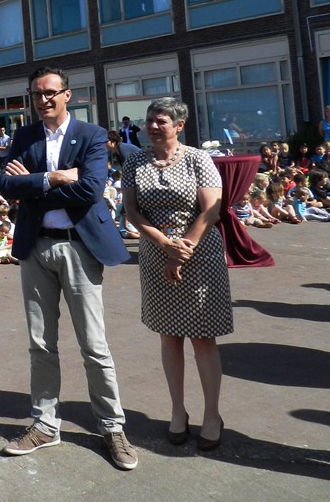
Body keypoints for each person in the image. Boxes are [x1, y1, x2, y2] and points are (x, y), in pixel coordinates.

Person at [0, 65, 138, 471]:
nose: (43, 100)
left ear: (67, 95)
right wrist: (55, 178)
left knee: (94, 344)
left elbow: (92, 189)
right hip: (35, 246)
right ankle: (45, 424)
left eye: (50, 93)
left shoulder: (92, 135)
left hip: (79, 248)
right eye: (37, 94)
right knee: (40, 343)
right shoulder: (24, 136)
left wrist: (35, 184)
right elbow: (6, 186)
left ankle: (112, 426)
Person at [122, 97, 231, 451]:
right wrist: (161, 243)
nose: (153, 126)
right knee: (169, 336)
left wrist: (182, 248)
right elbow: (132, 211)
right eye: (150, 120)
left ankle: (212, 413)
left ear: (179, 125)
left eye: (161, 121)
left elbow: (211, 210)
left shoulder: (199, 158)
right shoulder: (136, 161)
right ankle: (177, 410)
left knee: (203, 337)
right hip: (155, 255)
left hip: (199, 255)